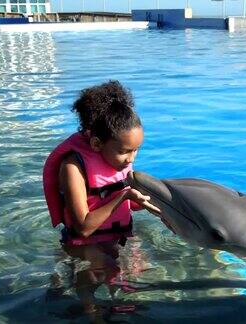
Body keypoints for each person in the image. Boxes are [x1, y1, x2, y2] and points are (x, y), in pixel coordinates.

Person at [43, 80, 160, 316]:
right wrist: (123, 194)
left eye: (136, 150)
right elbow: (84, 227)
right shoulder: (73, 167)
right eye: (125, 151)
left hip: (118, 236)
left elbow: (130, 206)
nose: (131, 159)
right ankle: (92, 312)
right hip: (83, 244)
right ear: (97, 143)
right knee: (99, 269)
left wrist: (151, 205)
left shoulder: (119, 160)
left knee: (137, 271)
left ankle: (123, 309)